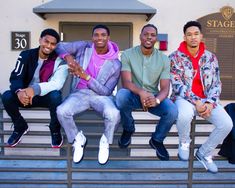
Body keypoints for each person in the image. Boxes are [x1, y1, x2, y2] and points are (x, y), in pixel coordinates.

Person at [169, 21, 233, 173]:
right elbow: (177, 85)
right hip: (184, 99)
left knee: (227, 124)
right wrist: (197, 102)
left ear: (201, 36)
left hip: (207, 101)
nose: (193, 37)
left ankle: (204, 152)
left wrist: (210, 103)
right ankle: (184, 141)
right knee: (184, 114)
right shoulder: (174, 57)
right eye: (189, 34)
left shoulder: (211, 57)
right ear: (184, 37)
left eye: (196, 34)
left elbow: (217, 83)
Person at [56, 24, 121, 165]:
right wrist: (68, 58)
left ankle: (105, 140)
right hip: (80, 93)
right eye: (96, 35)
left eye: (103, 35)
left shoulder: (115, 64)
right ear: (92, 37)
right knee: (61, 111)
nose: (99, 38)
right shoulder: (83, 47)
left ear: (108, 37)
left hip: (101, 96)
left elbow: (106, 91)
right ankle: (78, 139)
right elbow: (59, 46)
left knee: (114, 114)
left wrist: (86, 77)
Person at [115, 24, 178, 161]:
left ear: (156, 38)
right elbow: (126, 82)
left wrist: (156, 101)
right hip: (134, 94)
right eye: (146, 34)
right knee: (121, 96)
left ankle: (157, 140)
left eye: (153, 35)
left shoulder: (164, 59)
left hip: (153, 97)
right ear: (140, 37)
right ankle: (128, 128)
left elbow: (165, 89)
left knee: (172, 110)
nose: (149, 37)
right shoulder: (127, 54)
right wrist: (142, 93)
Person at [2, 28, 68, 148]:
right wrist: (19, 92)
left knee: (56, 96)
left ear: (56, 46)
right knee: (6, 96)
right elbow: (16, 77)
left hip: (43, 97)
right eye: (46, 41)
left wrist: (34, 89)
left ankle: (55, 129)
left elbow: (57, 84)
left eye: (53, 44)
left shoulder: (60, 61)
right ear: (40, 40)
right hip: (24, 97)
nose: (48, 46)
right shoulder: (26, 55)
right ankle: (20, 126)